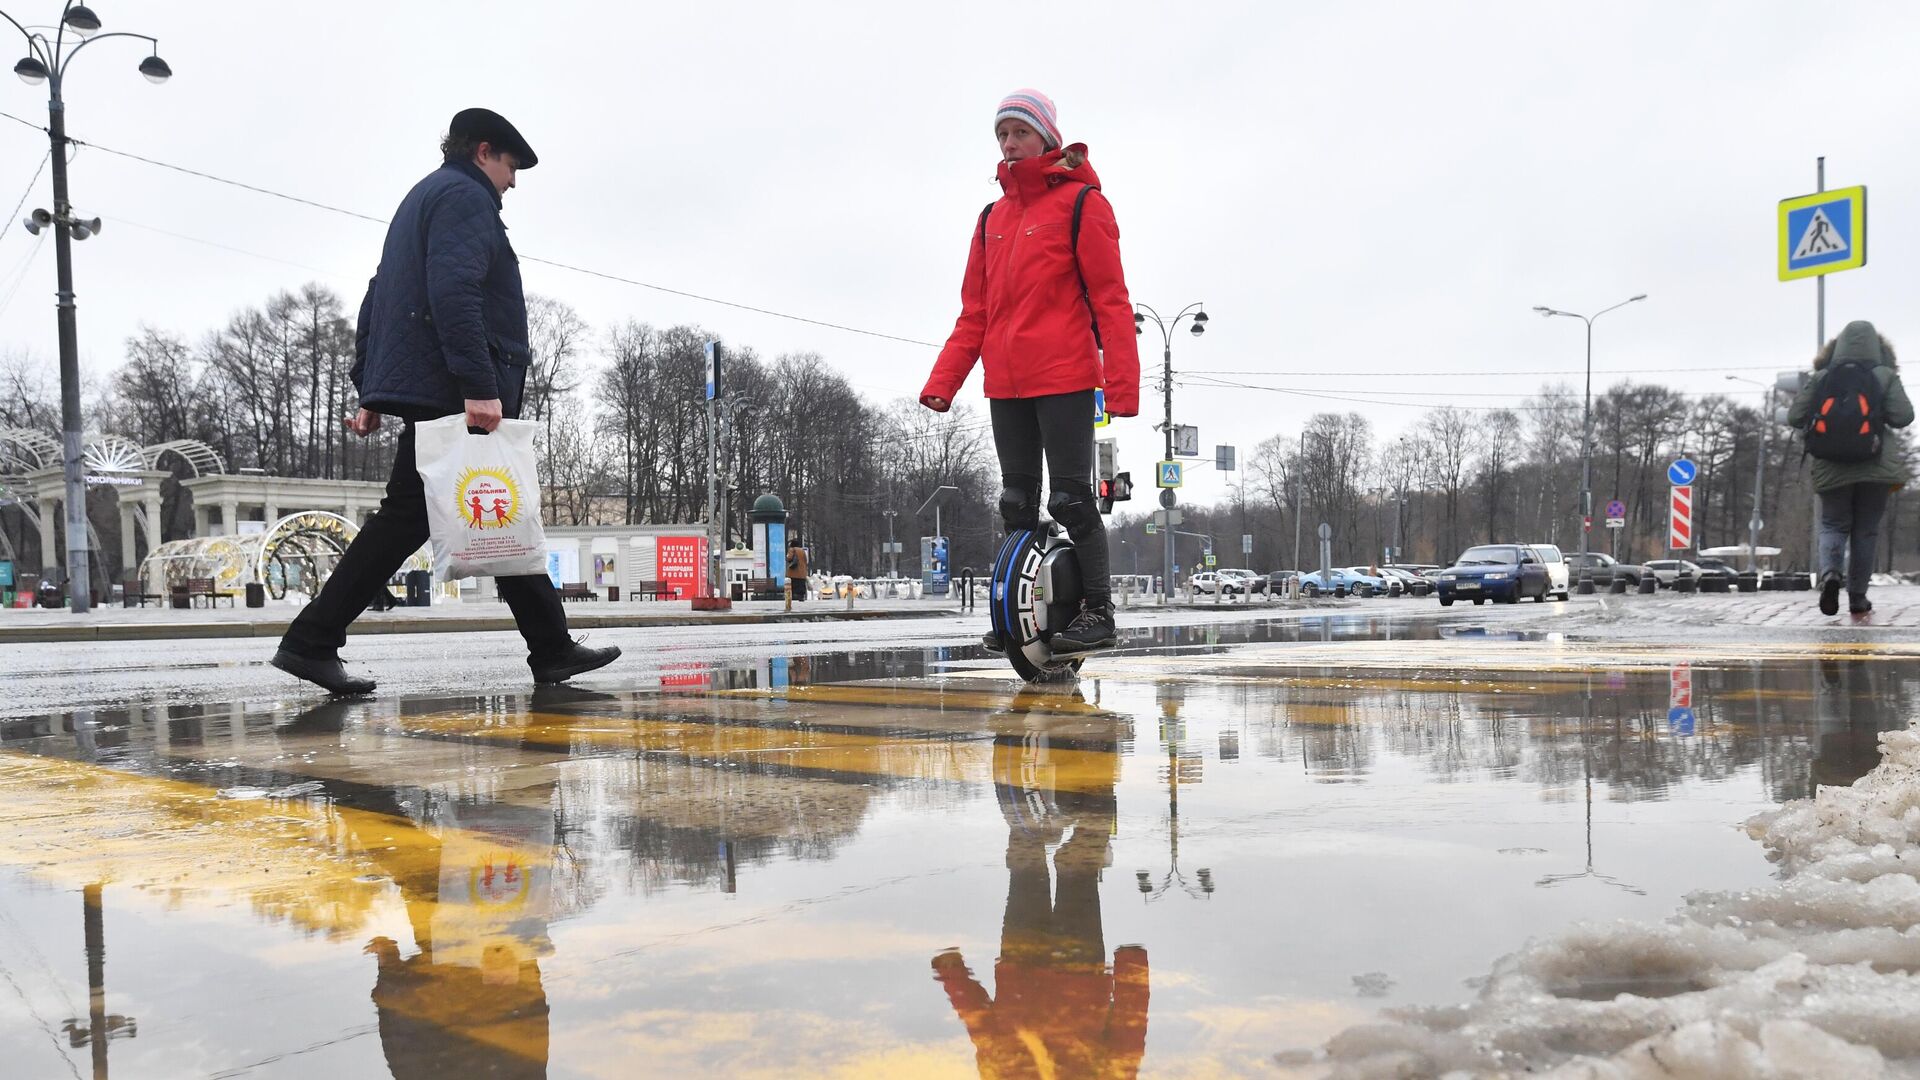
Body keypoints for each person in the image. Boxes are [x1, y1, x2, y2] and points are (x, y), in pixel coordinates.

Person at [272, 108, 619, 695]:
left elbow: (378, 295)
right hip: (455, 388)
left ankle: (551, 647)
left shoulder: (421, 199)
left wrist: (371, 386)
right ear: (485, 152)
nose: (513, 182)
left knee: (481, 509)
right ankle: (311, 641)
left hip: (434, 382)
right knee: (468, 507)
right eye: (511, 166)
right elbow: (454, 293)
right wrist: (479, 385)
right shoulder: (464, 197)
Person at [921, 89, 1139, 654]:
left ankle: (1098, 612)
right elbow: (977, 312)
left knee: (1069, 500)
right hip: (1006, 382)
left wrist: (1122, 384)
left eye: (1019, 132)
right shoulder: (992, 217)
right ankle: (1017, 613)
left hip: (1065, 375)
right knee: (1016, 502)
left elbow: (1111, 299)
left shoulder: (1083, 204)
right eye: (1002, 135)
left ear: (1046, 137)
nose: (1009, 143)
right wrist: (943, 382)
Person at [1787, 320, 1913, 616]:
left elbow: (1795, 416)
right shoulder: (1884, 375)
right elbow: (1903, 416)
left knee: (1832, 524)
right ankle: (1858, 596)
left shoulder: (1822, 377)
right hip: (1875, 465)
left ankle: (1830, 574)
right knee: (1865, 532)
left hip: (1831, 466)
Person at [786, 536, 809, 601]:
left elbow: (789, 558)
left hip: (794, 572)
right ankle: (801, 596)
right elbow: (805, 560)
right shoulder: (802, 551)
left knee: (793, 585)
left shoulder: (792, 549)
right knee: (801, 585)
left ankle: (793, 596)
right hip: (802, 572)